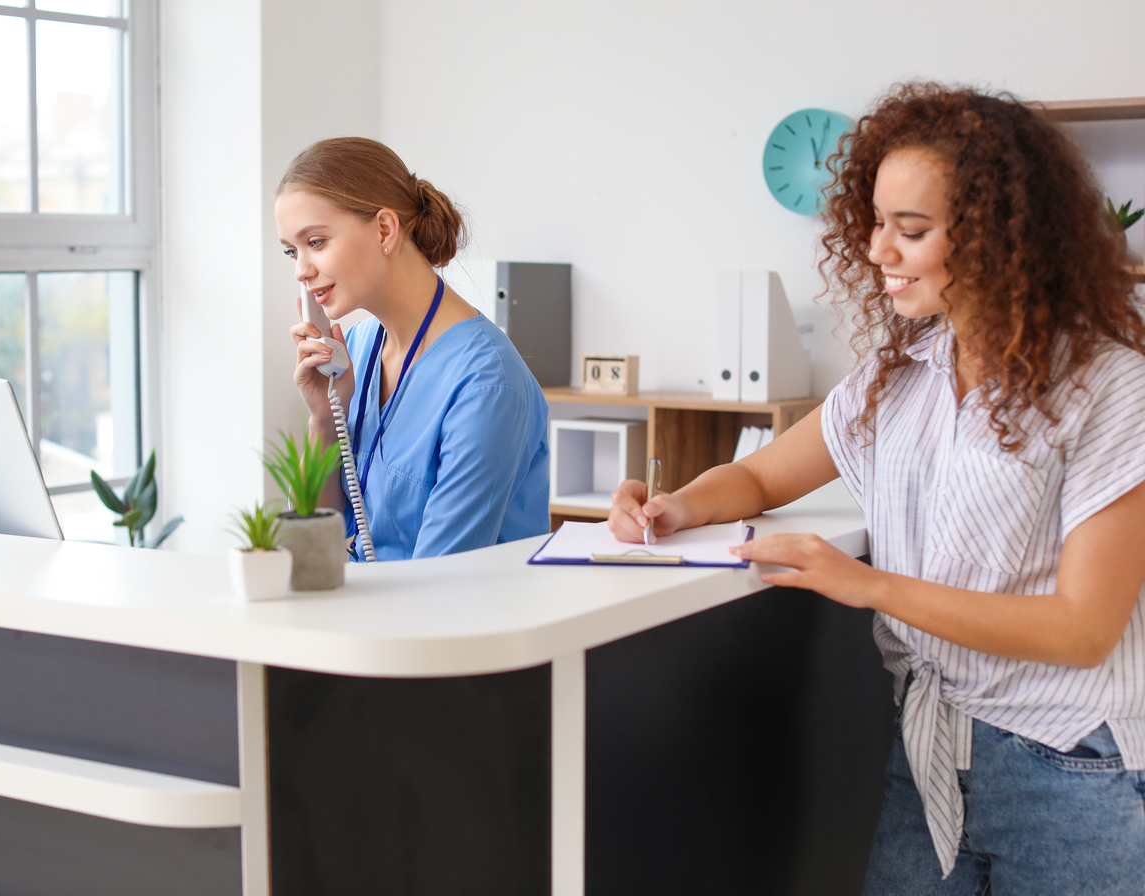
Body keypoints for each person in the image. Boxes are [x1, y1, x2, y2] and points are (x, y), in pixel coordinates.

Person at [610, 82, 1145, 895]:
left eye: (912, 230)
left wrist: (867, 586)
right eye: (877, 223)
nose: (877, 251)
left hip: (1069, 767)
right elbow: (758, 473)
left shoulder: (1111, 387)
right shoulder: (895, 378)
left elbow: (1082, 630)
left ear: (1003, 237)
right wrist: (674, 506)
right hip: (928, 750)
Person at [279, 137, 549, 561]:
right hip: (359, 614)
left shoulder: (486, 384)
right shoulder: (356, 348)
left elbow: (437, 586)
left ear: (385, 230)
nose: (301, 270)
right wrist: (323, 416)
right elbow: (306, 553)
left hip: (443, 619)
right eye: (291, 251)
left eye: (315, 242)